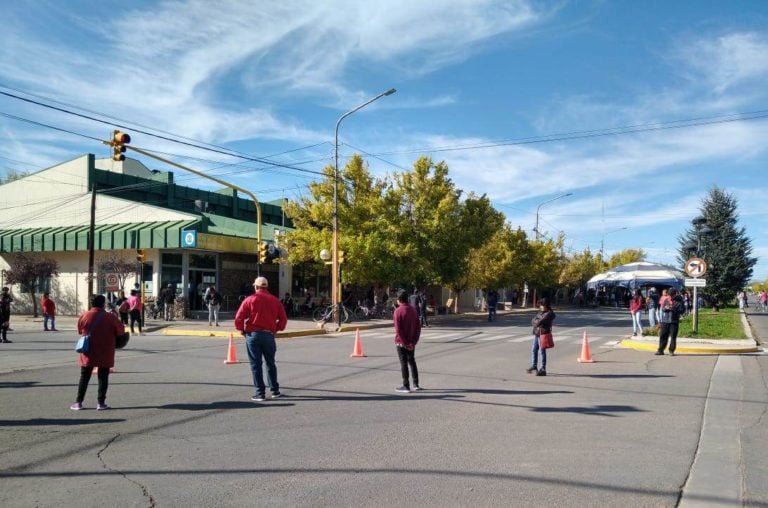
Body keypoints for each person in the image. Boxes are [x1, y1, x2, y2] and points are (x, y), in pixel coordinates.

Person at [70, 294, 127, 410]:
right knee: (103, 377)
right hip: (105, 350)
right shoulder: (110, 317)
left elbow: (80, 331)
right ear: (103, 304)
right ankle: (101, 403)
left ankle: (78, 402)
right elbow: (121, 331)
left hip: (88, 351)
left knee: (84, 376)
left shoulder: (84, 315)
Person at [235, 276, 287, 402]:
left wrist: (242, 329)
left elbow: (239, 318)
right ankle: (275, 390)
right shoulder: (275, 300)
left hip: (253, 335)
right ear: (266, 286)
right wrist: (275, 329)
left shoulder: (250, 299)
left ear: (256, 287)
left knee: (256, 364)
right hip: (268, 335)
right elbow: (283, 319)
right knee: (270, 363)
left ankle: (260, 393)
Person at [394, 290, 422, 393]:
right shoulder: (413, 310)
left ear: (398, 300)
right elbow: (418, 328)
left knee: (404, 363)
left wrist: (405, 343)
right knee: (412, 361)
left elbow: (398, 330)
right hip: (411, 342)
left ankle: (406, 385)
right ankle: (416, 384)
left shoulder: (398, 311)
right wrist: (413, 342)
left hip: (401, 342)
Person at [526, 297, 556, 376]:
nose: (540, 306)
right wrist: (536, 321)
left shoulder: (549, 313)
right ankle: (534, 365)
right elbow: (533, 320)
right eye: (540, 305)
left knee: (542, 351)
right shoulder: (541, 312)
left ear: (546, 305)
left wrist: (536, 321)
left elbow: (538, 322)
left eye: (542, 305)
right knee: (534, 350)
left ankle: (543, 368)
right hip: (537, 333)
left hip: (543, 334)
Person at [656, 288, 686, 356]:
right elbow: (663, 308)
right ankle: (661, 350)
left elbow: (682, 310)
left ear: (675, 294)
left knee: (673, 336)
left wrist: (673, 309)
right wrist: (665, 308)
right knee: (663, 335)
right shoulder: (667, 299)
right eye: (669, 295)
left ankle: (671, 350)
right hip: (665, 320)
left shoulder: (679, 301)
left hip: (674, 321)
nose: (670, 296)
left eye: (672, 295)